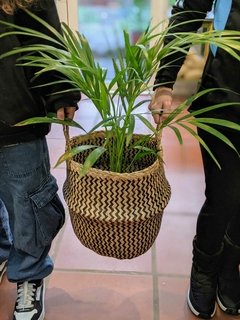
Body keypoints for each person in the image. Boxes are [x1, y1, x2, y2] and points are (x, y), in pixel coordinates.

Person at [149, 0, 240, 319]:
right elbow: (188, 12)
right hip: (225, 97)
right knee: (224, 195)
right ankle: (204, 267)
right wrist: (165, 81)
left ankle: (231, 265)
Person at [0, 0, 81, 319]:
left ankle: (30, 272)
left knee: (27, 200)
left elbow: (44, 38)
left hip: (15, 113)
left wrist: (61, 91)